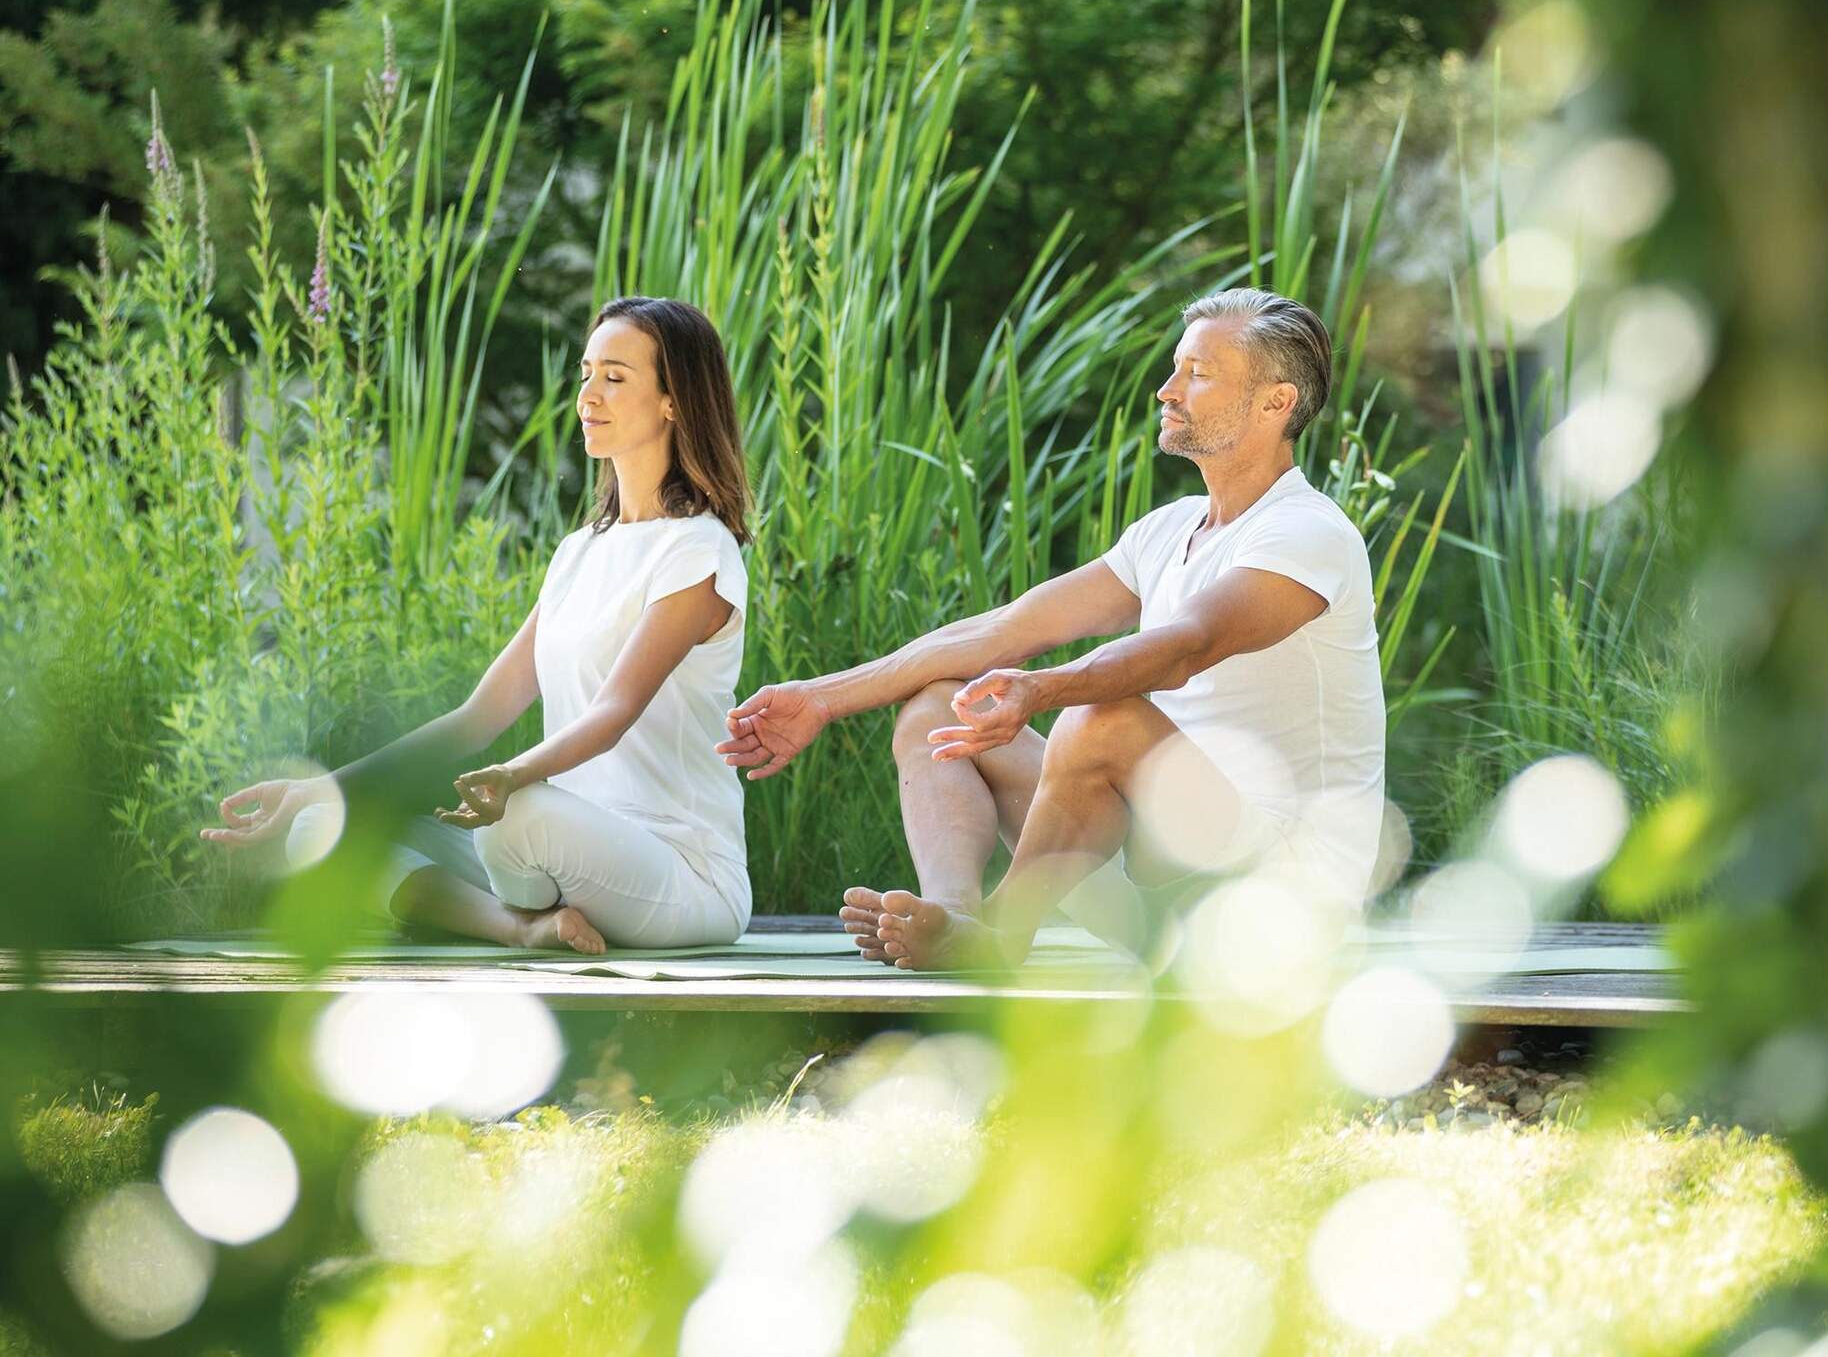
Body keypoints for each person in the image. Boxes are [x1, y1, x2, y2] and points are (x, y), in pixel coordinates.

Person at [718, 287, 1385, 970]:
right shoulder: (1168, 532)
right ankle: (954, 918)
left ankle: (1001, 941)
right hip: (1167, 902)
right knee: (940, 709)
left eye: (1199, 373)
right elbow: (1002, 629)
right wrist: (823, 698)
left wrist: (1040, 690)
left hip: (1282, 904)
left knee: (1104, 720)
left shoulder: (1306, 533)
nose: (1166, 389)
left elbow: (1186, 647)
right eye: (1176, 367)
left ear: (1278, 403)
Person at [201, 296, 754, 955]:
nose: (588, 395)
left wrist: (512, 778)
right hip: (558, 864)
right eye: (585, 373)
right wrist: (314, 787)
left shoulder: (697, 550)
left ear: (673, 400)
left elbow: (614, 711)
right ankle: (521, 928)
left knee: (515, 819)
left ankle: (531, 895)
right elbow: (478, 715)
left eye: (615, 376)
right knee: (321, 827)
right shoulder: (579, 552)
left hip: (681, 877)